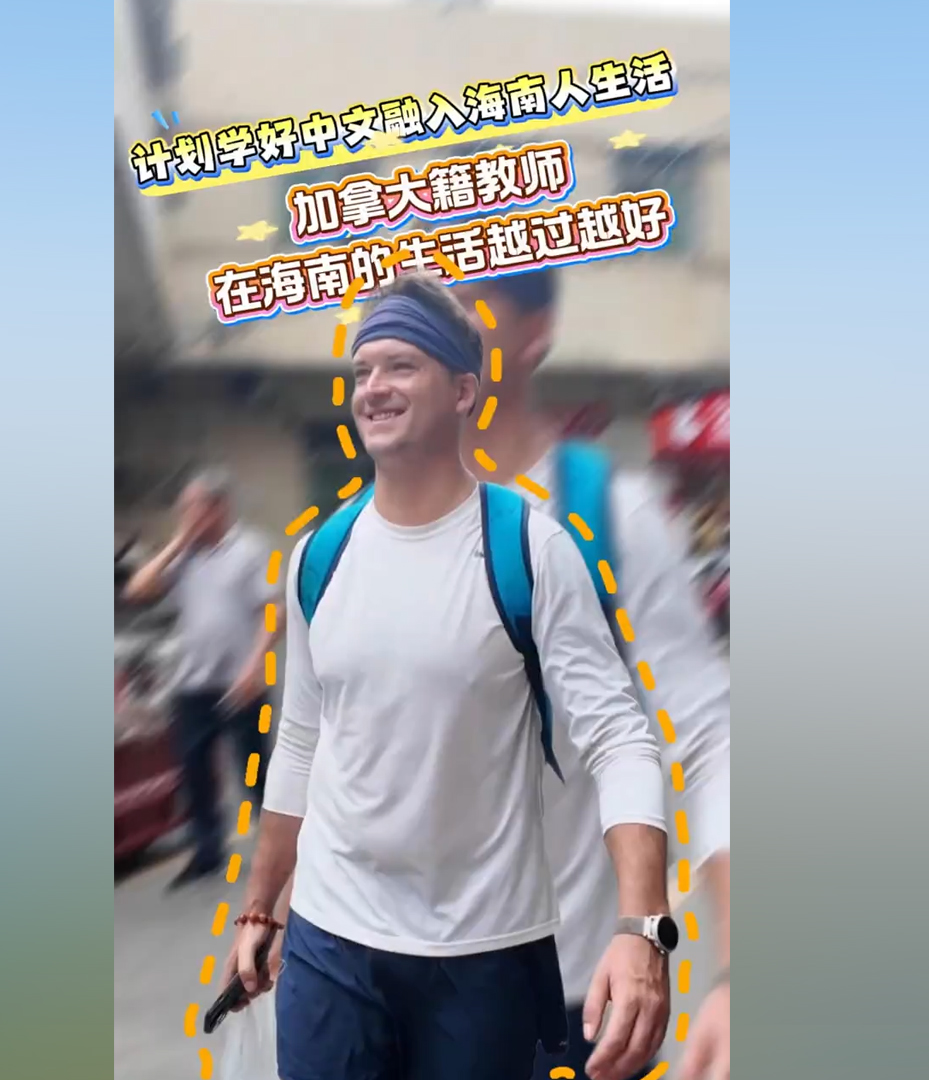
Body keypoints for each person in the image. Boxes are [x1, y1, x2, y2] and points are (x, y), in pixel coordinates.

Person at [223, 273, 676, 1080]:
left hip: (485, 954)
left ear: (464, 390)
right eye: (363, 371)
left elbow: (621, 740)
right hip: (332, 940)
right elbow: (299, 740)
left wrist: (643, 929)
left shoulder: (530, 549)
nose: (374, 387)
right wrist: (261, 907)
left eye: (401, 365)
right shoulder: (320, 557)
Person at [451, 269, 733, 1080]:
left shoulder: (605, 514)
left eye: (465, 306)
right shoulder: (364, 534)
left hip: (572, 1004)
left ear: (534, 331)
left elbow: (706, 740)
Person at [121, 469, 278, 889]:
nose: (184, 515)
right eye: (182, 509)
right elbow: (136, 590)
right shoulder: (183, 557)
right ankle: (207, 853)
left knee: (255, 770)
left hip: (242, 682)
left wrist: (256, 666)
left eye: (191, 508)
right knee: (194, 772)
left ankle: (282, 850)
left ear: (217, 507)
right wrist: (178, 543)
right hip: (192, 686)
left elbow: (273, 611)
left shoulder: (252, 549)